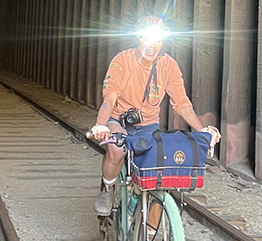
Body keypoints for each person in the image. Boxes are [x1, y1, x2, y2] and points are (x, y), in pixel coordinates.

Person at [89, 16, 220, 215]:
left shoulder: (169, 65)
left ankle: (149, 230)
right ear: (138, 39)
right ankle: (107, 189)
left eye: (158, 40)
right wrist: (101, 125)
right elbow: (110, 97)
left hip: (148, 124)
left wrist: (202, 130)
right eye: (147, 39)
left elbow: (182, 103)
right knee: (116, 150)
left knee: (159, 166)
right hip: (118, 120)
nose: (152, 46)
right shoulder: (122, 60)